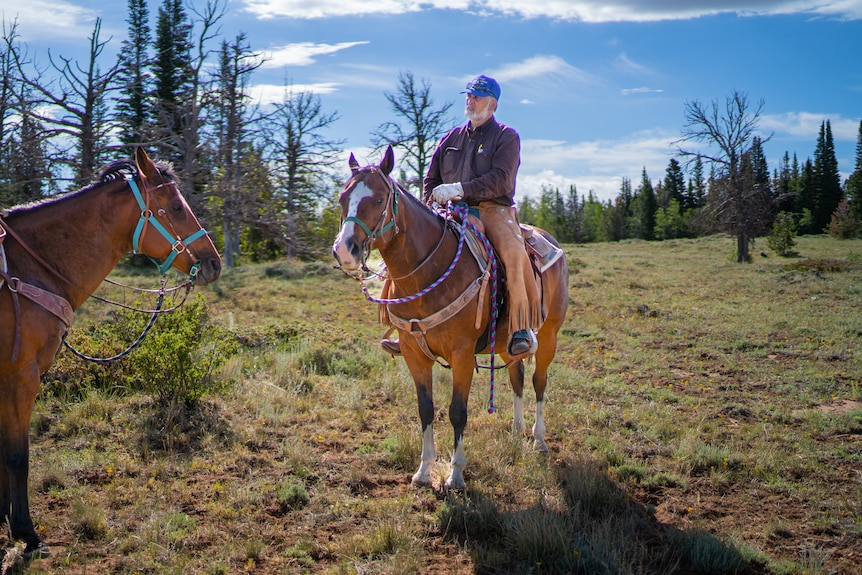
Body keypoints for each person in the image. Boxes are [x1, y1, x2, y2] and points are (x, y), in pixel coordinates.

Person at [381, 74, 541, 358]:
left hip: (493, 211)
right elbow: (430, 180)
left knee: (513, 254)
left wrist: (461, 188)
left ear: (492, 104)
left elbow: (502, 180)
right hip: (448, 213)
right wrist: (433, 200)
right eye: (468, 95)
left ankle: (519, 327)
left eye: (477, 96)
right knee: (406, 251)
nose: (470, 100)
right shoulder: (450, 138)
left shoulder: (506, 137)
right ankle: (403, 327)